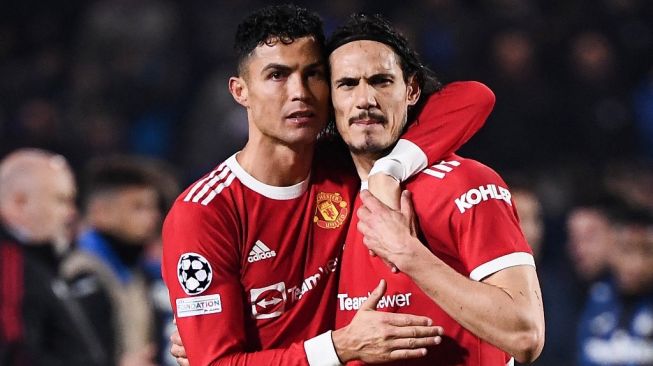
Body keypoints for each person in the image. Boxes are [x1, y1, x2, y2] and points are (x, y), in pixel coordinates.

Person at [162, 4, 493, 366]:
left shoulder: (345, 163)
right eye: (277, 75)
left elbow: (473, 97)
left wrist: (390, 171)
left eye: (313, 74)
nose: (299, 92)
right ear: (240, 91)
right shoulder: (205, 213)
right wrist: (339, 347)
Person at [330, 13, 545, 364]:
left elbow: (526, 334)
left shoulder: (468, 183)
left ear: (411, 89)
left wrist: (407, 253)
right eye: (348, 84)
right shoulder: (322, 194)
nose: (365, 98)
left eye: (382, 81)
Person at [0, 148, 106, 366]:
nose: (71, 213)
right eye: (61, 200)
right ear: (19, 203)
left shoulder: (34, 261)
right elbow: (15, 352)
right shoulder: (9, 266)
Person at [61, 156, 164, 366]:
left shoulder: (133, 270)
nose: (153, 217)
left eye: (152, 207)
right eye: (138, 207)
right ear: (101, 212)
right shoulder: (80, 274)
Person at [577, 205, 653, 365]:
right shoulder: (592, 297)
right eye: (626, 250)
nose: (635, 264)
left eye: (646, 251)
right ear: (612, 249)